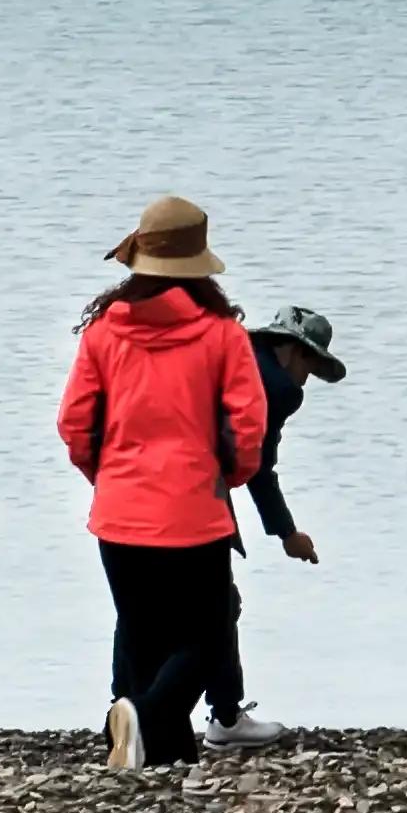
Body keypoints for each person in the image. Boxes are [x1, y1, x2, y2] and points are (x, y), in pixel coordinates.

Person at [58, 196, 278, 769]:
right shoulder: (222, 334)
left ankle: (152, 749)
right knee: (209, 634)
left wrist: (106, 477)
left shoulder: (103, 332)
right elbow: (248, 425)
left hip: (120, 510)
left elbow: (75, 423)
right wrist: (229, 476)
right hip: (194, 510)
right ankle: (148, 720)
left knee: (141, 633)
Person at [203, 306, 349, 745]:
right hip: (198, 493)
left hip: (132, 483)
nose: (306, 380)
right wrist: (287, 532)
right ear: (291, 350)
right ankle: (223, 718)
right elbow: (258, 466)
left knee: (148, 606)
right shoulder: (279, 387)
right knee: (218, 605)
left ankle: (128, 709)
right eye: (311, 366)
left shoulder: (228, 356)